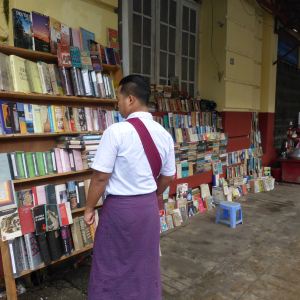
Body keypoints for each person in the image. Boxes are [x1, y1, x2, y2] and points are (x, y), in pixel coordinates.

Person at [84, 74, 176, 300]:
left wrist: (88, 208)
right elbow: (168, 177)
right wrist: (151, 194)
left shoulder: (116, 132)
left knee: (110, 263)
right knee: (145, 263)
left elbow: (99, 178)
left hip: (120, 211)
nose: (118, 103)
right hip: (147, 209)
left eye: (119, 98)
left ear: (131, 99)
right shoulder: (164, 135)